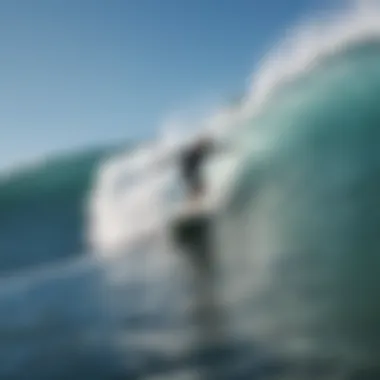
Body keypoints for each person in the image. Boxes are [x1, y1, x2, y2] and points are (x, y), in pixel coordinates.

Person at [180, 135, 214, 203]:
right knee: (197, 188)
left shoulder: (200, 152)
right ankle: (192, 202)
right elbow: (184, 162)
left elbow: (212, 150)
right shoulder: (192, 153)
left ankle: (196, 202)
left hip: (193, 171)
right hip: (188, 172)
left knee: (200, 188)